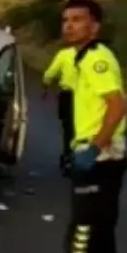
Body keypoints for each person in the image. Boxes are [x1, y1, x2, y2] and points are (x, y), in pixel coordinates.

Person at [42, 0, 127, 253]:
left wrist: (94, 147)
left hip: (101, 159)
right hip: (96, 155)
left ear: (95, 26)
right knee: (100, 237)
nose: (69, 25)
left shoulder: (96, 60)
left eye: (78, 20)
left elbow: (117, 106)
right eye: (65, 20)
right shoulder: (76, 58)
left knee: (82, 236)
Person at [42, 45, 79, 175]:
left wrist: (46, 86)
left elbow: (50, 72)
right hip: (85, 97)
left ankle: (68, 157)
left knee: (68, 128)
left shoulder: (64, 54)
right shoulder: (92, 56)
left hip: (67, 95)